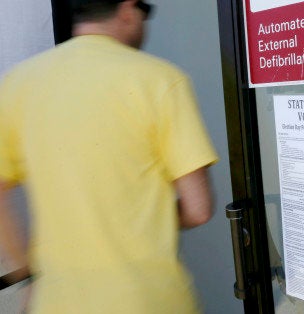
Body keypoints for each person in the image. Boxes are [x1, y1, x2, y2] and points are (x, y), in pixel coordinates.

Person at [0, 0, 219, 312]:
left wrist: (26, 273)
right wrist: (142, 218)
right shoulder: (159, 79)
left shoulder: (17, 83)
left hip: (55, 301)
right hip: (148, 300)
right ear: (128, 10)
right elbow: (198, 209)